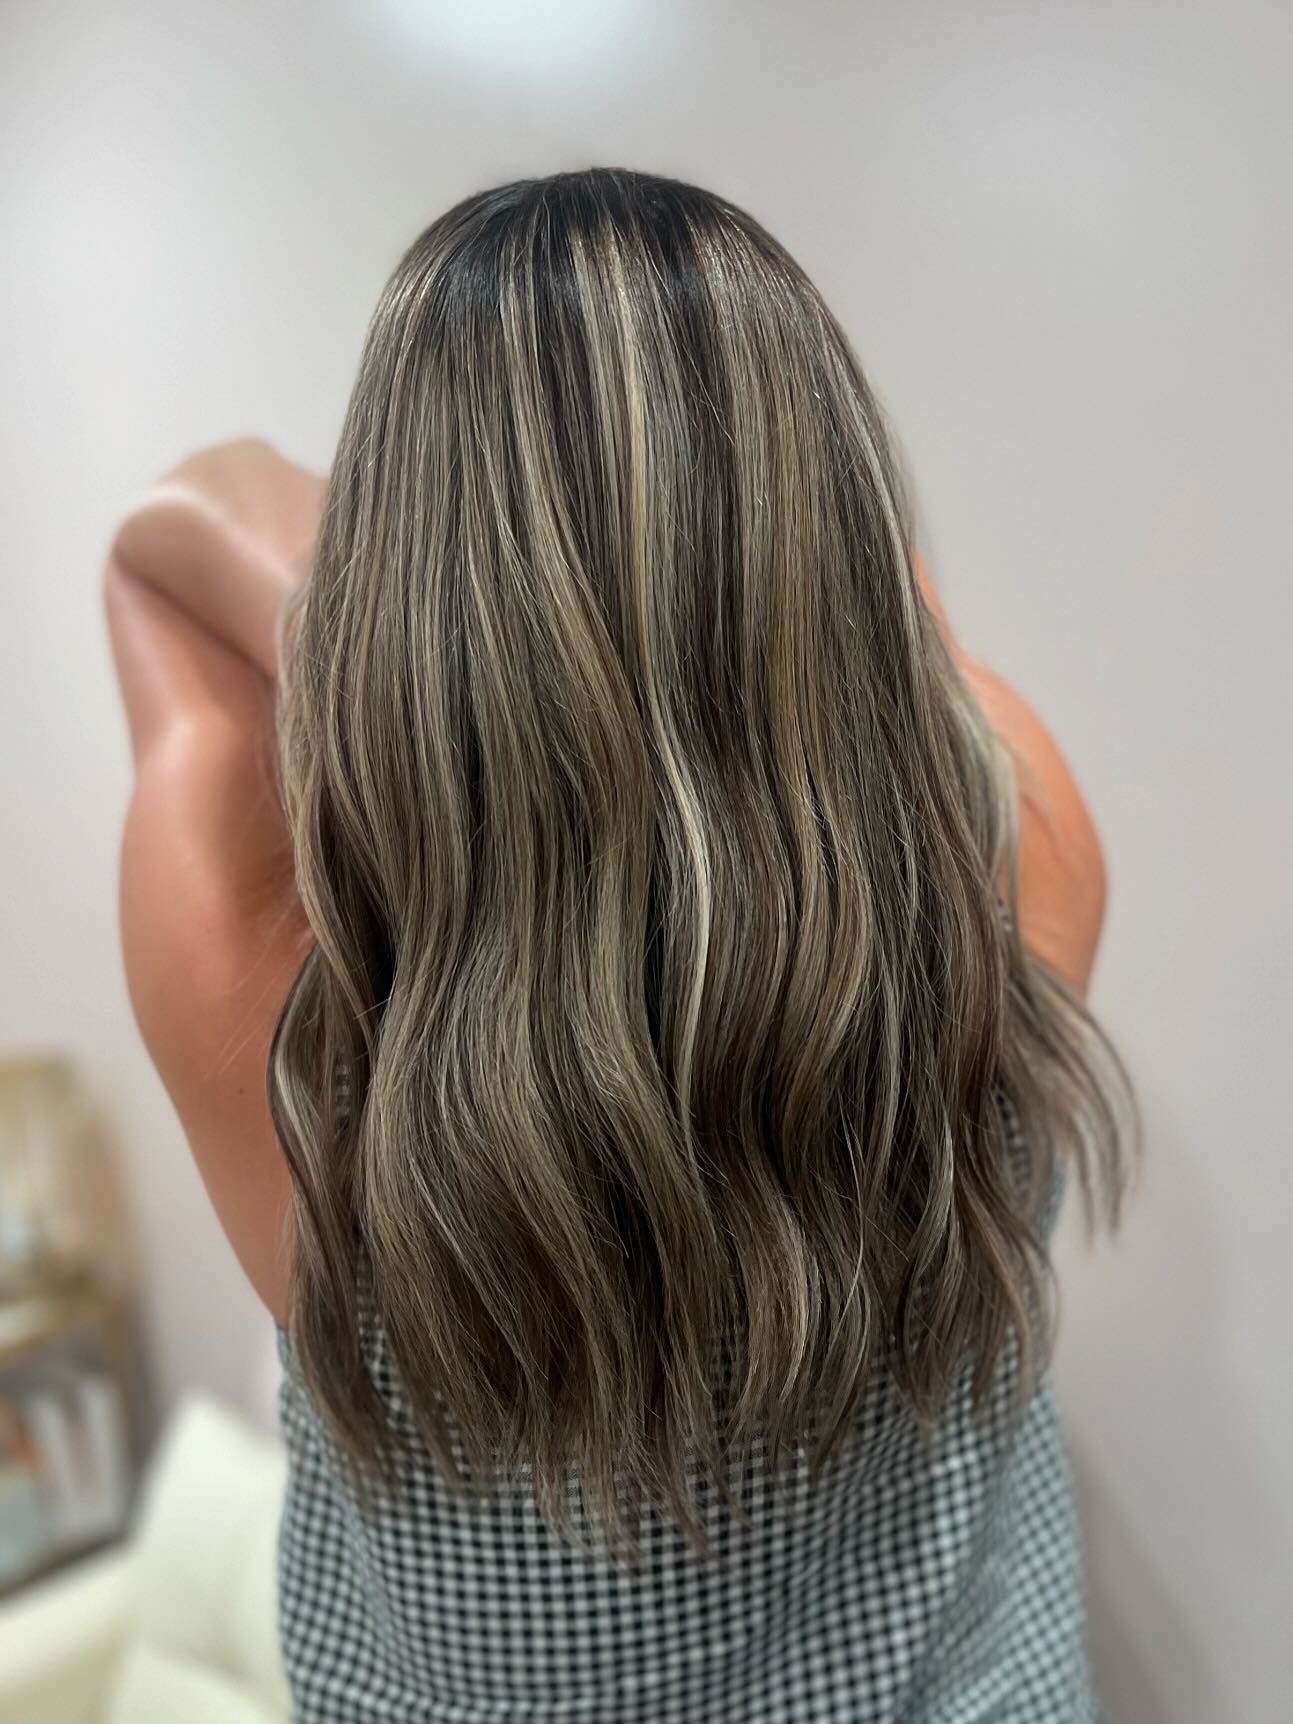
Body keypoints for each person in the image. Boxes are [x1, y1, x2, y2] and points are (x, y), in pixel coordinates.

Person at [104, 168, 1134, 1722]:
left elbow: (168, 535)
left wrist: (430, 639)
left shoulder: (273, 1025)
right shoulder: (1026, 871)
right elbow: (904, 659)